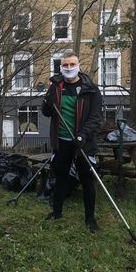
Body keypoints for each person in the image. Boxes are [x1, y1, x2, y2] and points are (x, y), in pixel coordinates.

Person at [42, 50, 103, 233]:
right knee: (60, 177)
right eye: (65, 65)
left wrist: (83, 136)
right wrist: (47, 103)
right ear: (61, 67)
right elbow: (47, 112)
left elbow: (96, 118)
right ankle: (57, 212)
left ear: (78, 66)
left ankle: (90, 219)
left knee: (86, 179)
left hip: (83, 143)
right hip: (61, 141)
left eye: (72, 64)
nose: (69, 68)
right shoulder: (55, 87)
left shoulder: (90, 89)